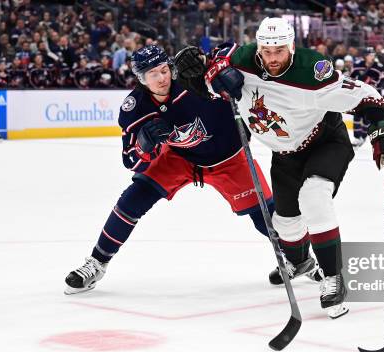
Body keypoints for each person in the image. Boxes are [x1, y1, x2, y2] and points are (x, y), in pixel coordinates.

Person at [183, 17, 384, 318]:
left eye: (280, 51)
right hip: (284, 154)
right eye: (267, 51)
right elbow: (214, 64)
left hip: (325, 141)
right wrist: (201, 72)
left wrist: (383, 127)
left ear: (292, 47)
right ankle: (300, 262)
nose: (272, 58)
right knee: (285, 222)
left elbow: (365, 94)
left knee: (314, 198)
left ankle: (333, 278)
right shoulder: (245, 59)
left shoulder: (312, 71)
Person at [64, 45, 320, 294]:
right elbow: (130, 160)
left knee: (266, 215)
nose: (161, 78)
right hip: (179, 158)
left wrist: (222, 67)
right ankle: (97, 263)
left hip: (229, 157)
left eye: (164, 70)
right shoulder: (135, 107)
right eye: (153, 74)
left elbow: (233, 52)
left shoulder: (194, 80)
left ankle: (303, 259)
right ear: (141, 79)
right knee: (132, 200)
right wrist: (144, 146)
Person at [349, 48, 384, 147]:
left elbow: (381, 81)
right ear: (365, 56)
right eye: (370, 55)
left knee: (367, 118)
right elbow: (350, 78)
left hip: (371, 96)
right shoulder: (357, 65)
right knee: (357, 115)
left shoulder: (378, 67)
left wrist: (372, 83)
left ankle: (363, 136)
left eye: (373, 55)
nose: (372, 57)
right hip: (358, 95)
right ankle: (357, 137)